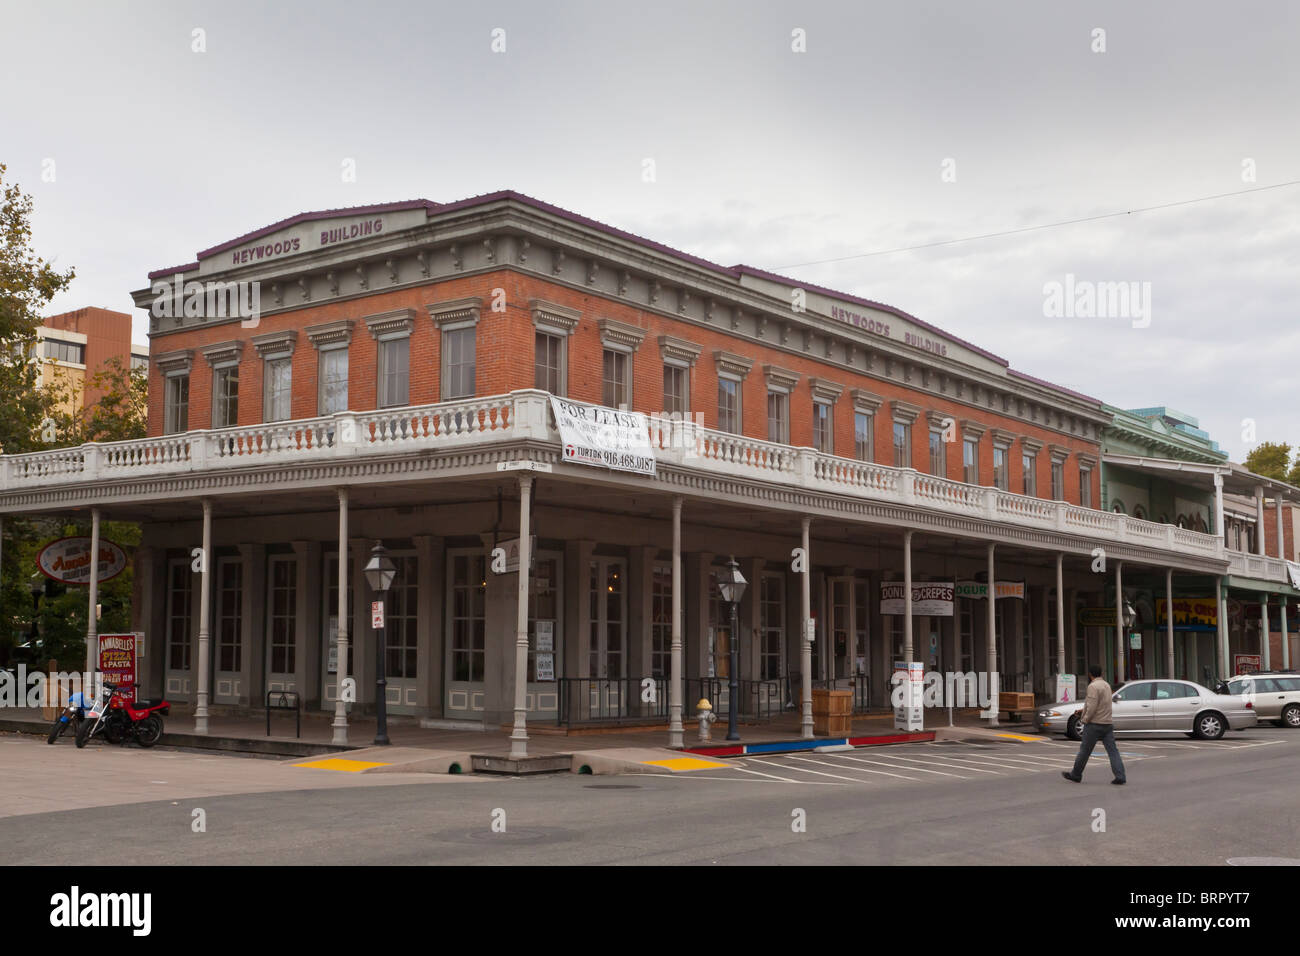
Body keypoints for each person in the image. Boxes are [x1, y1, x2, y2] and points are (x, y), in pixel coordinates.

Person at [1061, 665, 1126, 785]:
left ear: (1090, 674)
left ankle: (1076, 774)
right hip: (1107, 723)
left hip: (1094, 724)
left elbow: (1092, 706)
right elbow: (1101, 704)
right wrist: (1082, 711)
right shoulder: (1107, 685)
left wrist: (1084, 719)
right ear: (1101, 673)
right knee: (1113, 751)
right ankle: (1120, 775)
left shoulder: (1092, 686)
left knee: (1084, 751)